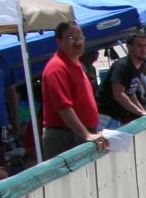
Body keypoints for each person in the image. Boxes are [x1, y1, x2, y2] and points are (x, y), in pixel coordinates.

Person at [40, 22, 109, 159]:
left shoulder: (77, 64)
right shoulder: (56, 67)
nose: (78, 43)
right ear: (58, 41)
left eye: (80, 38)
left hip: (79, 134)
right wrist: (86, 134)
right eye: (72, 39)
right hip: (66, 137)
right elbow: (64, 108)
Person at [99, 28, 146, 123]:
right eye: (139, 45)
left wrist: (144, 112)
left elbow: (131, 93)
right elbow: (118, 94)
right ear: (129, 46)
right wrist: (140, 112)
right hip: (104, 115)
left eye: (145, 45)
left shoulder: (138, 66)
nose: (143, 49)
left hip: (116, 116)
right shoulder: (122, 66)